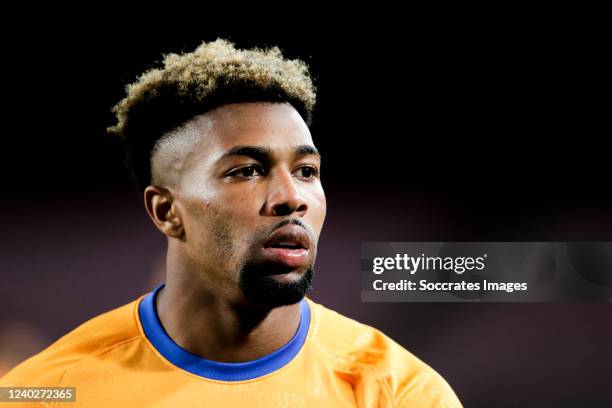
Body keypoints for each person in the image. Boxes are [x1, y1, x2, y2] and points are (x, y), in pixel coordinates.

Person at [0, 39, 462, 407]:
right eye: (247, 170)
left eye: (306, 171)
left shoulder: (400, 394)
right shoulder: (47, 392)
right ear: (166, 211)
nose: (291, 198)